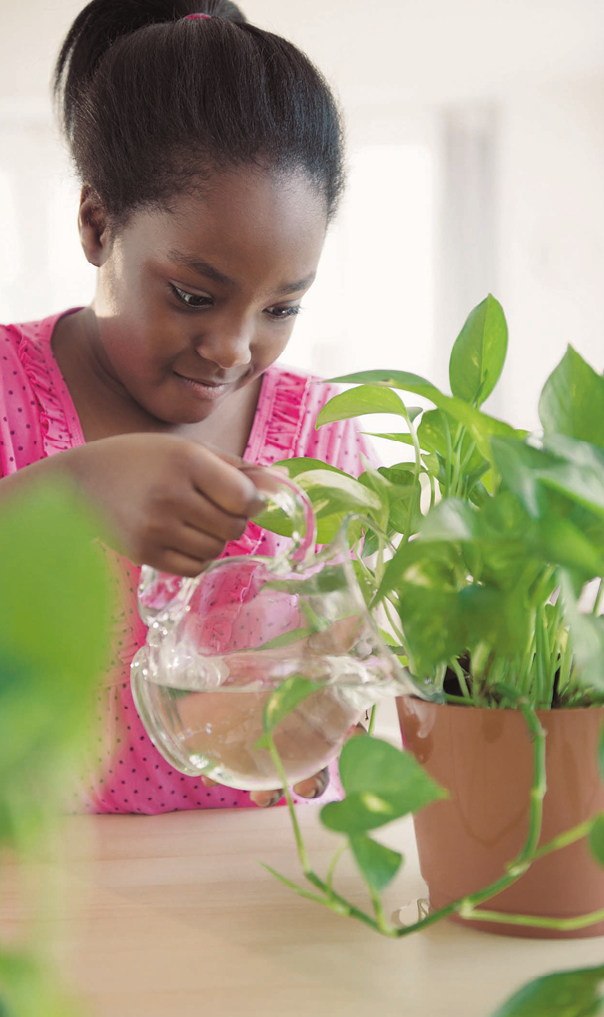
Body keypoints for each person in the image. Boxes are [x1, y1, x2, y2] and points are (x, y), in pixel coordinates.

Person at [0, 0, 375, 814]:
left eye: (282, 308)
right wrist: (63, 493)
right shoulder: (6, 396)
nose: (235, 349)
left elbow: (355, 696)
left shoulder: (324, 432)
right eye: (195, 294)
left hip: (254, 899)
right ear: (98, 224)